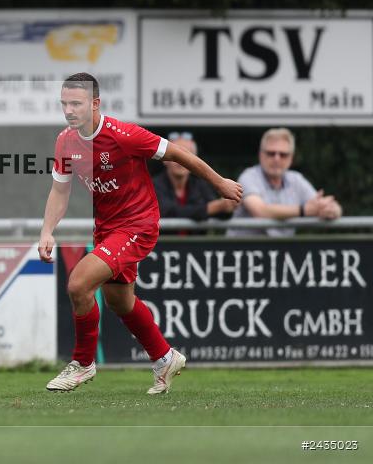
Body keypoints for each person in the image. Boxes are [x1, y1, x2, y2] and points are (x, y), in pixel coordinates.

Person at [38, 73, 242, 394]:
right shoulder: (65, 142)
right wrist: (47, 230)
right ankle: (164, 357)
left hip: (137, 224)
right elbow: (59, 192)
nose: (68, 110)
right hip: (107, 229)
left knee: (78, 284)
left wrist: (219, 183)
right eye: (64, 103)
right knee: (119, 301)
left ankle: (82, 363)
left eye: (75, 103)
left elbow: (178, 154)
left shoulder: (124, 135)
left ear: (95, 104)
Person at [227, 127, 342, 237]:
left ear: (291, 158)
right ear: (261, 154)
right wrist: (303, 210)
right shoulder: (248, 177)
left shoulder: (295, 179)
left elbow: (324, 205)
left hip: (281, 253)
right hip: (243, 253)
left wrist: (332, 210)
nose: (277, 159)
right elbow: (260, 211)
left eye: (283, 155)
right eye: (271, 153)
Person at [152, 132, 237, 229]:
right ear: (164, 159)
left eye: (186, 158)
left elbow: (219, 212)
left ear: (195, 162)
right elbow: (167, 212)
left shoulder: (200, 185)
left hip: (197, 244)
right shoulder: (153, 185)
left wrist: (228, 206)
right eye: (175, 157)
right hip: (164, 244)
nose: (180, 162)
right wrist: (212, 208)